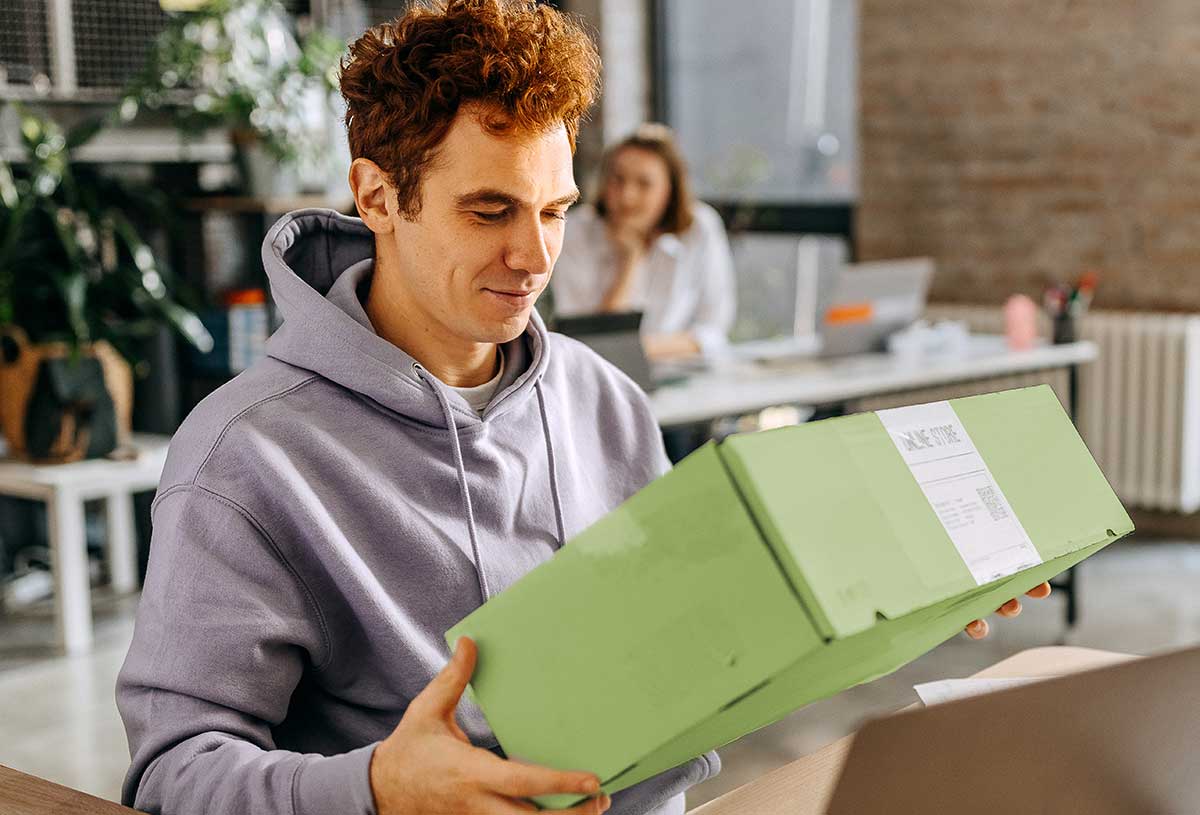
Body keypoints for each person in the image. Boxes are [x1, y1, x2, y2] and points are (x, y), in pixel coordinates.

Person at [116, 2, 1049, 814]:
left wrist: (891, 610)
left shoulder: (601, 398)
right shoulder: (244, 456)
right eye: (490, 211)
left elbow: (696, 657)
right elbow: (172, 773)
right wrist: (379, 790)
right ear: (377, 195)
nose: (535, 256)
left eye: (555, 210)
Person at [551, 124, 735, 360]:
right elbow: (586, 339)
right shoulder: (576, 230)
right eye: (617, 180)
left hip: (675, 372)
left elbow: (713, 331)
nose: (627, 196)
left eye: (644, 184)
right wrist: (629, 261)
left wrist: (637, 349)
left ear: (669, 190)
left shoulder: (700, 227)